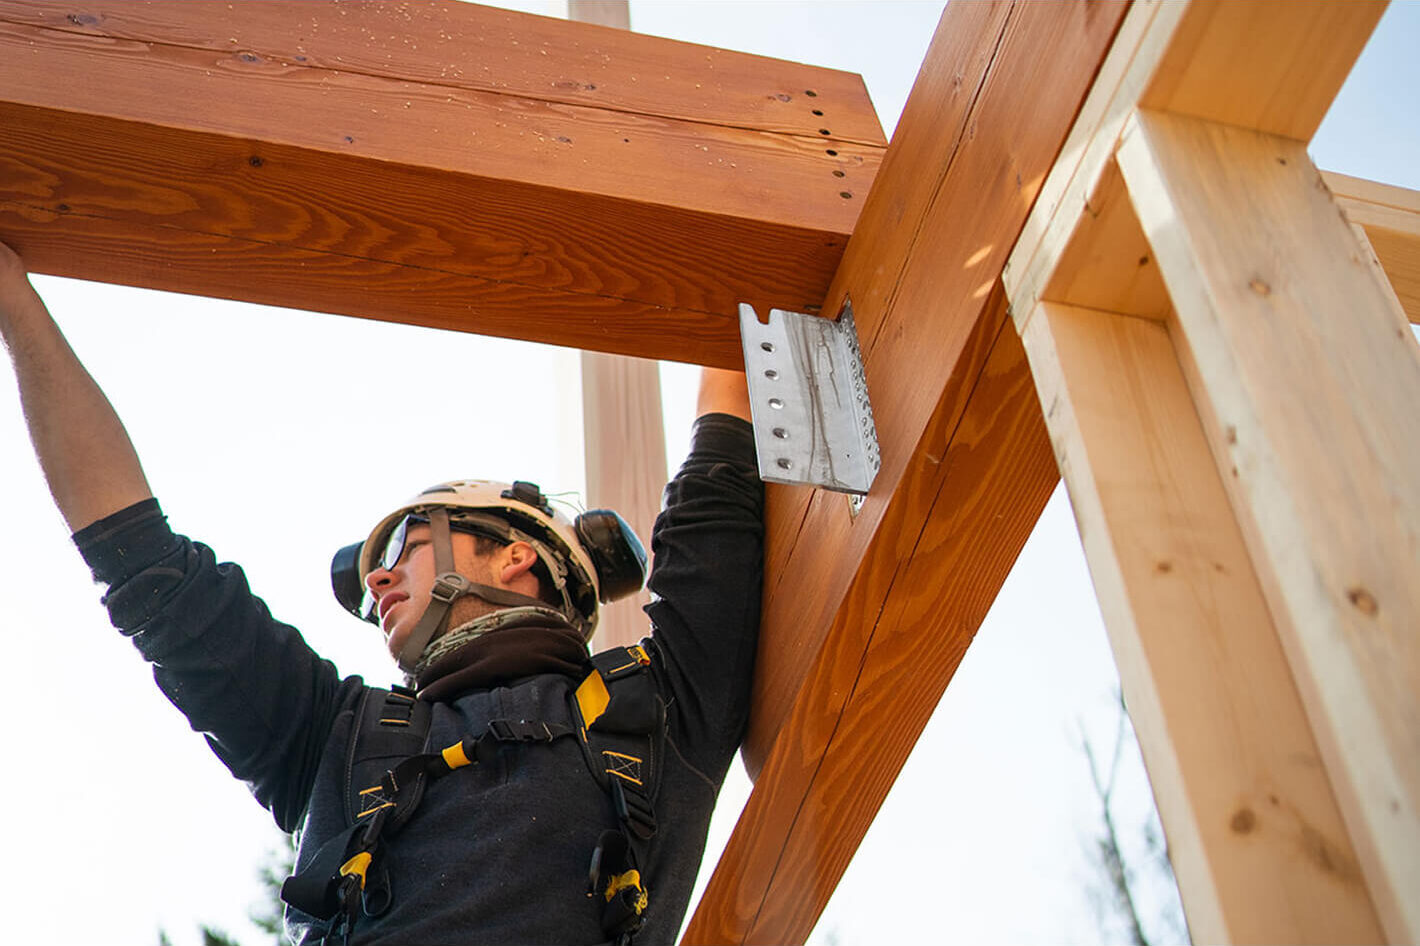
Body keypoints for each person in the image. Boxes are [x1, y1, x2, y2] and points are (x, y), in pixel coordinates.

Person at [0, 238, 764, 945]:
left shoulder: (657, 712)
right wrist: (12, 299)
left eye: (406, 543)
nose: (377, 578)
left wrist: (754, 253)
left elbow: (719, 484)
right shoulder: (336, 740)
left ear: (515, 556)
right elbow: (146, 567)